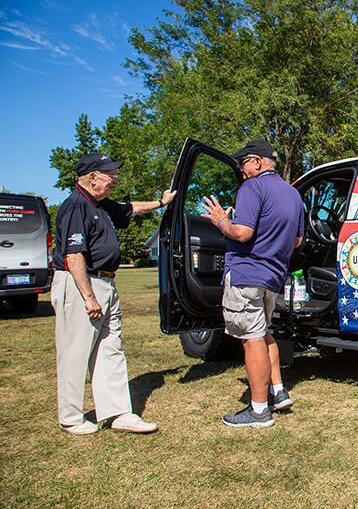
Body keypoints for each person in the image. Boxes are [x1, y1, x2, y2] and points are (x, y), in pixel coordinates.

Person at [51, 152, 176, 435]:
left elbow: (130, 208)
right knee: (75, 352)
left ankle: (119, 412)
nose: (115, 179)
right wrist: (88, 297)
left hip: (106, 283)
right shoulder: (75, 206)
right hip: (82, 283)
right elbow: (73, 255)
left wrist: (161, 202)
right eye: (111, 174)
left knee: (111, 348)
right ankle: (71, 417)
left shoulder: (101, 205)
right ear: (92, 177)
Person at [200, 137, 304, 428]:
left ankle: (258, 410)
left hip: (247, 273)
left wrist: (221, 221)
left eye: (243, 162)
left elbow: (243, 233)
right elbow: (296, 241)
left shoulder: (252, 187)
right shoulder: (293, 194)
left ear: (257, 162)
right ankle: (278, 390)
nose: (241, 169)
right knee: (263, 332)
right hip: (273, 276)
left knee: (252, 339)